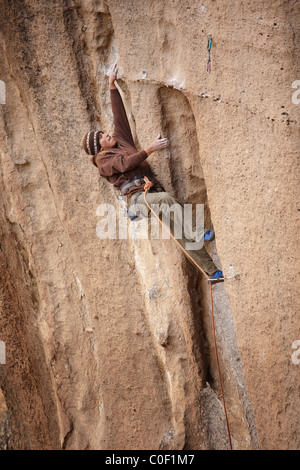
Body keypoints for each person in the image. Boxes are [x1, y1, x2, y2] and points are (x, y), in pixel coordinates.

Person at [82, 64, 223, 281]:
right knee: (166, 199)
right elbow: (126, 164)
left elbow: (120, 117)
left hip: (150, 193)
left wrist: (112, 86)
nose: (107, 134)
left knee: (180, 234)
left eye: (104, 132)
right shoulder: (103, 161)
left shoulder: (121, 141)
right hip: (137, 200)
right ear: (99, 147)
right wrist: (150, 149)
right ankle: (198, 231)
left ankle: (212, 272)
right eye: (101, 136)